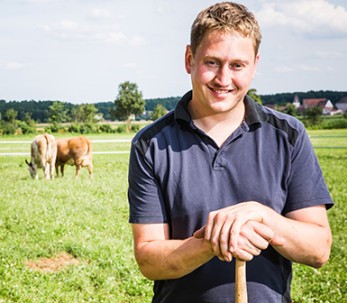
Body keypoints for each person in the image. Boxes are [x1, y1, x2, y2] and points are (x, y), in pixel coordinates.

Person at [127, 2, 333, 302]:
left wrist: (262, 217)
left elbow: (319, 249)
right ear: (189, 59)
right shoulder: (151, 144)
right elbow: (148, 258)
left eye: (237, 65)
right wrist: (215, 240)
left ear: (254, 65)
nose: (223, 79)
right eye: (212, 62)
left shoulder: (288, 135)